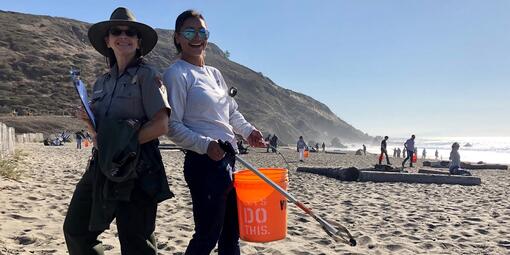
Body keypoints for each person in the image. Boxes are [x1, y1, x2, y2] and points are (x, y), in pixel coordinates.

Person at [63, 7, 173, 254]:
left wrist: (124, 148)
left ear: (138, 41)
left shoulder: (148, 76)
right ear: (107, 40)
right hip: (101, 165)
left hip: (139, 167)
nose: (124, 36)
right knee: (76, 229)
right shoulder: (102, 82)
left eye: (130, 32)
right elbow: (102, 133)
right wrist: (90, 123)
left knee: (136, 242)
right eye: (117, 31)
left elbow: (161, 125)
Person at [163, 10, 266, 255]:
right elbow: (172, 126)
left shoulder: (215, 74)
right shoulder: (176, 74)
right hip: (203, 164)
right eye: (189, 31)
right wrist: (205, 145)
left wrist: (249, 131)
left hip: (229, 160)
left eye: (202, 31)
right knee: (207, 235)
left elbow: (231, 113)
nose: (197, 37)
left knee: (231, 234)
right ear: (178, 37)